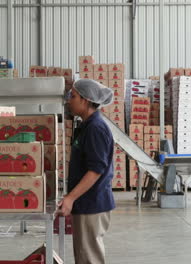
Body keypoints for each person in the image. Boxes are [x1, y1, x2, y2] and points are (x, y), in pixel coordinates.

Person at [58, 79, 115, 264]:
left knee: (89, 258)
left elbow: (95, 170)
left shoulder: (95, 129)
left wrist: (71, 198)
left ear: (85, 100)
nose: (69, 101)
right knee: (84, 256)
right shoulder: (86, 126)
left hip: (92, 204)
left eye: (73, 96)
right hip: (86, 203)